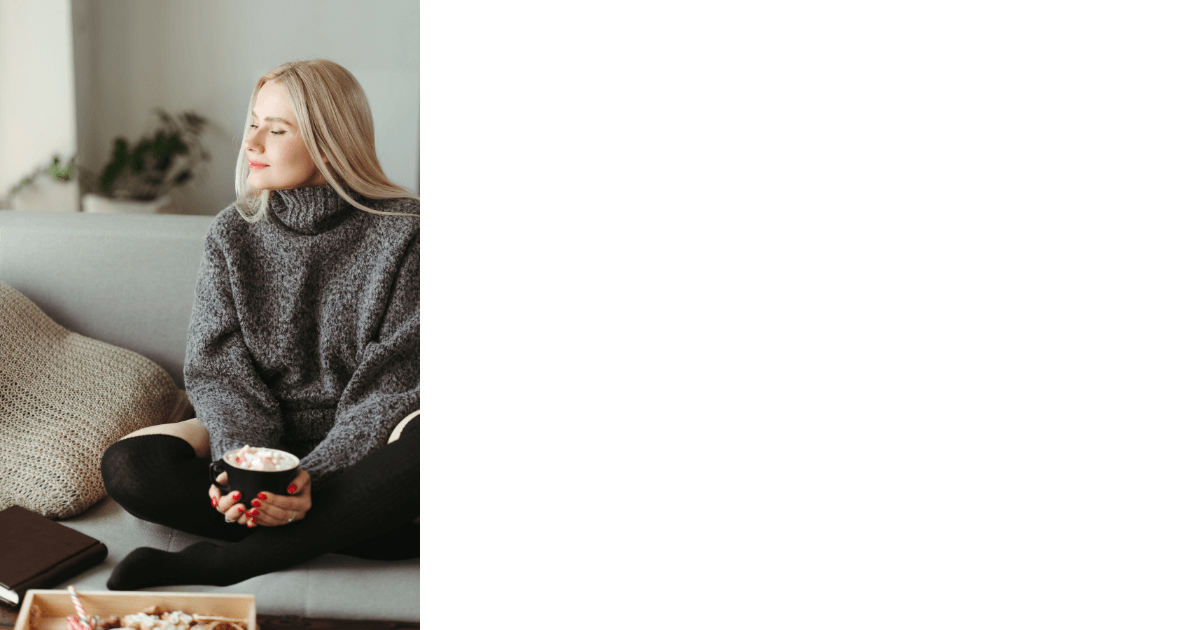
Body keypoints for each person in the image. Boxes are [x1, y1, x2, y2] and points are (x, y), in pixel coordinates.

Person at [99, 59, 420, 590]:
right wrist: (250, 475)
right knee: (131, 467)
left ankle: (226, 562)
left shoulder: (405, 233)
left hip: (371, 448)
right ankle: (357, 528)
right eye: (253, 123)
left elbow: (391, 388)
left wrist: (309, 482)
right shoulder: (233, 233)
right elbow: (219, 372)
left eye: (277, 130)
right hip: (264, 446)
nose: (252, 143)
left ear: (329, 141)